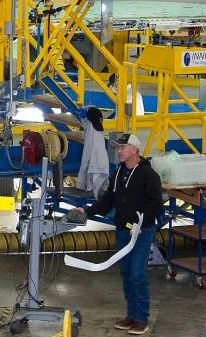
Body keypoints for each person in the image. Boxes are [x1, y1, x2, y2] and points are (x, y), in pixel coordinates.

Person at [74, 134, 162, 335]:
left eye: (122, 147)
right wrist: (87, 211)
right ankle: (131, 314)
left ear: (134, 150)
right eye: (118, 148)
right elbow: (108, 200)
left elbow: (154, 203)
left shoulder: (148, 175)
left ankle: (142, 318)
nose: (119, 151)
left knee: (137, 274)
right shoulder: (119, 173)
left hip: (141, 232)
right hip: (123, 230)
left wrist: (142, 223)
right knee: (125, 273)